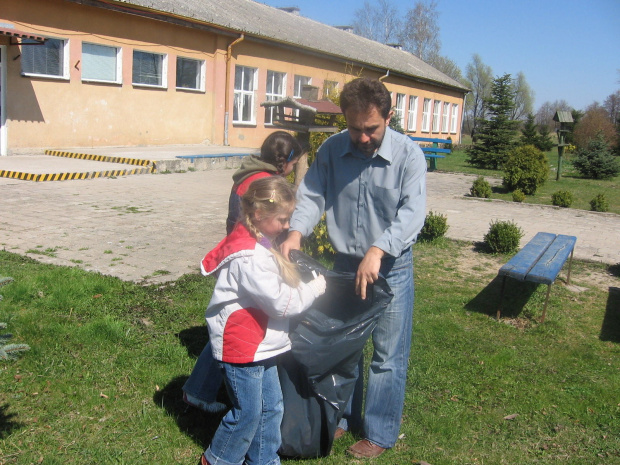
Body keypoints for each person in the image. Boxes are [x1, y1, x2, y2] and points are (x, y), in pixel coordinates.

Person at [280, 77, 427, 459]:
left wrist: (379, 249)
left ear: (389, 116)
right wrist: (296, 231)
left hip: (391, 267)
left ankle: (379, 432)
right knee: (345, 347)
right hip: (346, 265)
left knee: (387, 354)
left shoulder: (409, 156)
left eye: (371, 129)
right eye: (354, 128)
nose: (362, 138)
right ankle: (340, 414)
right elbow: (312, 194)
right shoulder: (331, 150)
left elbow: (412, 214)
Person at [199, 176, 326, 465]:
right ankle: (217, 459)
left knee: (271, 408)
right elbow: (282, 303)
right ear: (259, 215)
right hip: (242, 345)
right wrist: (314, 289)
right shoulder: (250, 257)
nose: (286, 226)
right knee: (248, 413)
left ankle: (264, 460)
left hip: (260, 344)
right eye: (282, 219)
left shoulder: (259, 241)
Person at [183, 131, 304, 413]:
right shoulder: (264, 184)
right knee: (233, 329)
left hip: (239, 253)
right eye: (294, 164)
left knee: (229, 326)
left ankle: (197, 389)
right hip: (248, 259)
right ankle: (201, 391)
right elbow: (253, 228)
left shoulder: (249, 173)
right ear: (284, 163)